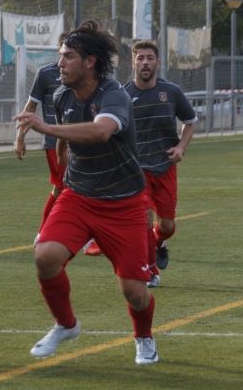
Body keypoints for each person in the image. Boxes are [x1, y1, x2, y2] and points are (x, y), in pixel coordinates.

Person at [14, 20, 158, 365]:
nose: (59, 64)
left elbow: (101, 131)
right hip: (78, 196)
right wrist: (62, 164)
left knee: (135, 293)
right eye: (59, 56)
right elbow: (66, 138)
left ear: (89, 61)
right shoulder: (62, 94)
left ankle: (144, 337)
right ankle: (66, 324)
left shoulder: (113, 95)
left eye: (67, 57)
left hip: (123, 203)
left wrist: (45, 128)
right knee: (45, 255)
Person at [125, 40, 197, 287]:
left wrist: (180, 148)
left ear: (158, 62)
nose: (145, 62)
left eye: (149, 58)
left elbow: (190, 121)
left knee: (166, 225)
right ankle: (151, 272)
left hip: (165, 167)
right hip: (137, 170)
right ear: (132, 62)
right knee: (142, 221)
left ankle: (160, 241)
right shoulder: (123, 95)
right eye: (140, 58)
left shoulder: (172, 92)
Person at [14, 59, 66, 244]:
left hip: (80, 141)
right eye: (64, 51)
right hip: (55, 142)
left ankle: (50, 232)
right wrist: (20, 137)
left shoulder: (86, 72)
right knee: (63, 187)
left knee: (68, 188)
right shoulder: (45, 74)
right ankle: (44, 233)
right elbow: (30, 107)